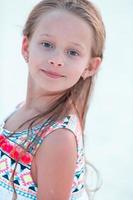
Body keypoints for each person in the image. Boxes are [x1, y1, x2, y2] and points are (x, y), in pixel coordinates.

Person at [0, 0, 106, 199]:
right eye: (47, 44)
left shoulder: (58, 139)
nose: (57, 59)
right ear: (26, 47)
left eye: (72, 52)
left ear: (90, 67)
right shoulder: (18, 110)